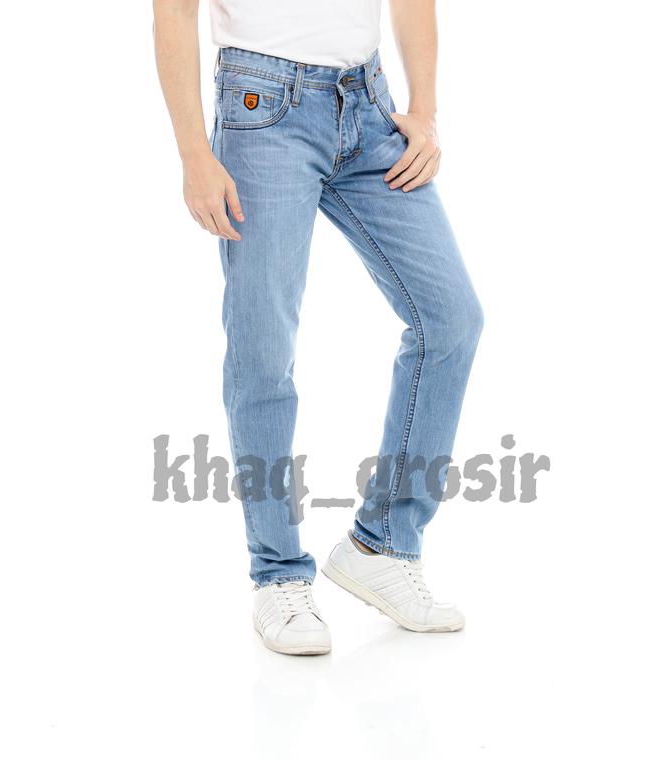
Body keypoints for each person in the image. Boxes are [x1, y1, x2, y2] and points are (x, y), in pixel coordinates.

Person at [154, 0, 483, 655]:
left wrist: (424, 109)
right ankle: (277, 574)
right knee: (263, 350)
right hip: (262, 109)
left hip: (369, 103)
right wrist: (194, 152)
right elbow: (175, 10)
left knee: (451, 319)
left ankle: (383, 545)